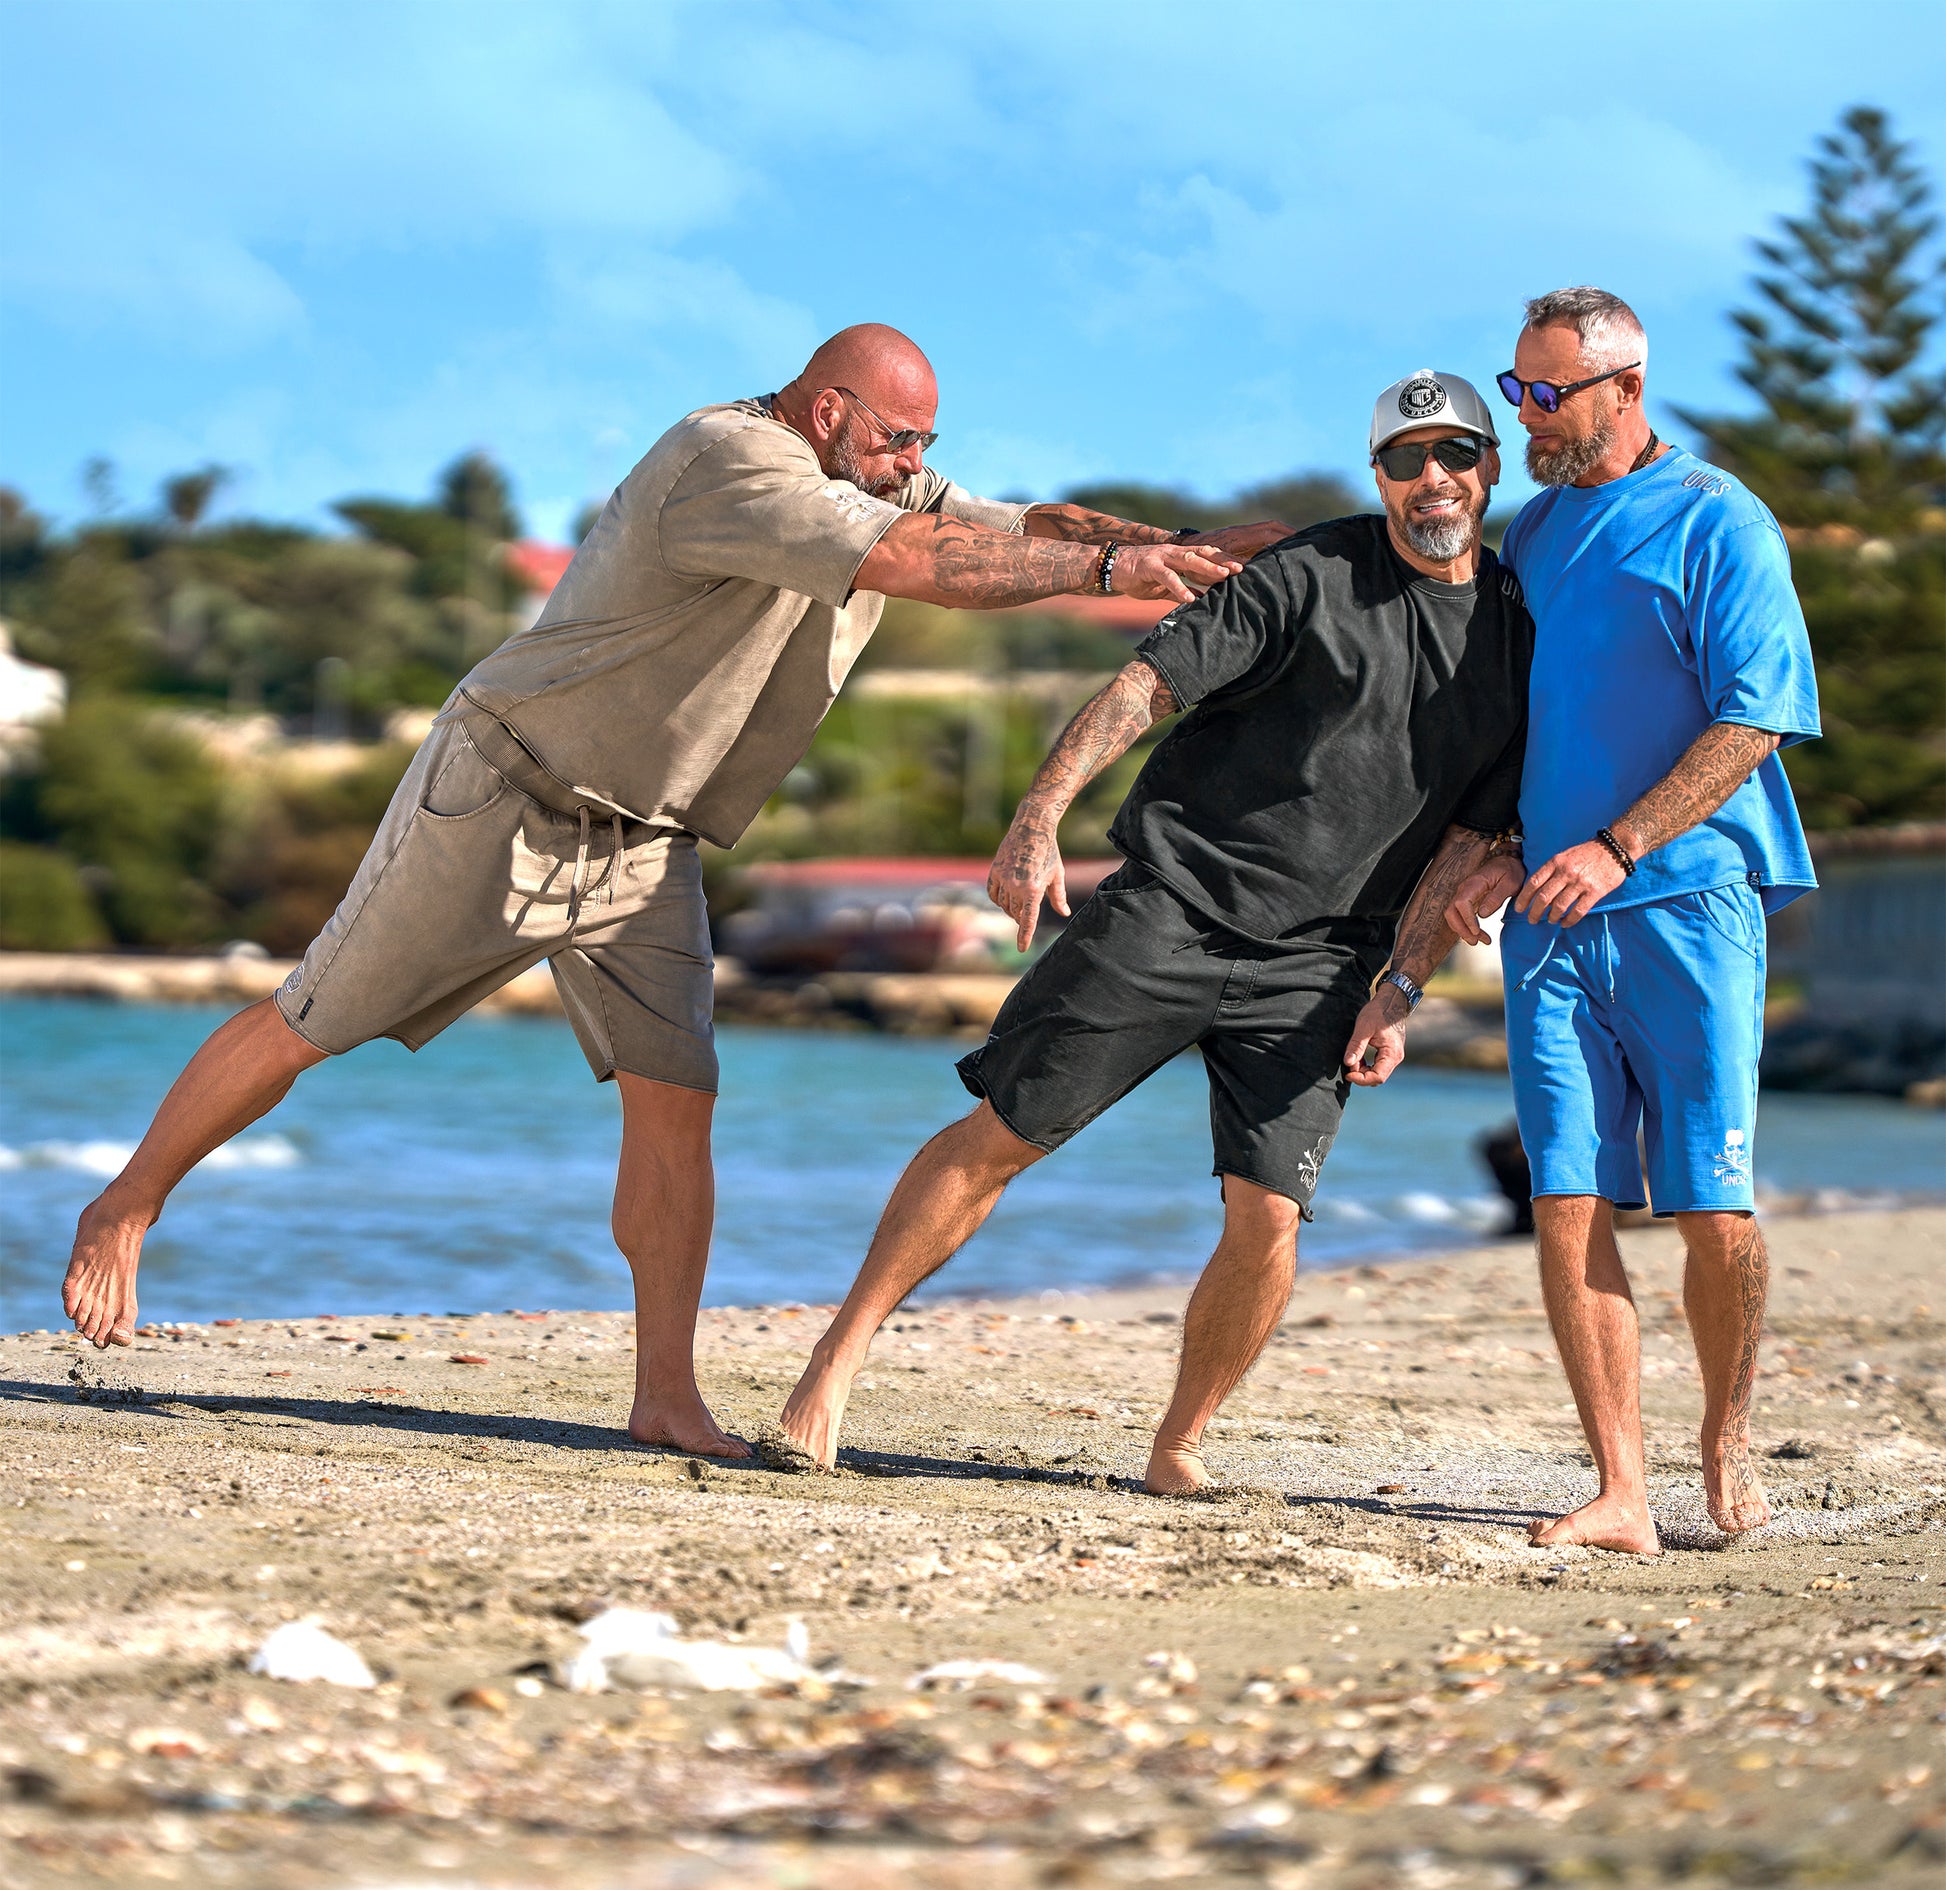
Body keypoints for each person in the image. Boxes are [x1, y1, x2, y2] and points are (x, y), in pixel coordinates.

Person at [60, 324, 1284, 1459]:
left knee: (675, 1098)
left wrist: (1199, 553)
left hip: (648, 841)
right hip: (508, 796)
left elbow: (1022, 523)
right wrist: (1117, 568)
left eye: (928, 445)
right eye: (897, 438)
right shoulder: (728, 463)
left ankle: (663, 1396)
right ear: (824, 410)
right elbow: (922, 560)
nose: (917, 464)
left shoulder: (876, 472)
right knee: (312, 1019)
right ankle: (127, 1202)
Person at [770, 369, 1532, 1495]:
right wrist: (1036, 818)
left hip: (1325, 960)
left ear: (1488, 469)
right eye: (1405, 459)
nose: (1432, 479)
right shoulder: (1308, 571)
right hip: (1171, 905)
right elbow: (1146, 683)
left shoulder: (1514, 637)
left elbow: (1467, 836)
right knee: (1002, 1133)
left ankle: (1178, 1441)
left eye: (1455, 455)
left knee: (1270, 1209)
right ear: (1376, 476)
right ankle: (829, 1368)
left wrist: (1401, 986)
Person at [1440, 287, 1821, 1554]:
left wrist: (1618, 845)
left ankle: (1721, 1442)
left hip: (1687, 903)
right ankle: (1618, 1486)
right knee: (1564, 1194)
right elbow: (1518, 721)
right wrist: (1502, 849)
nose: (1526, 418)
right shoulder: (1535, 533)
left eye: (1546, 393)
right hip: (1549, 912)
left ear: (1623, 386)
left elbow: (1752, 717)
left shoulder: (1720, 519)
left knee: (1710, 1206)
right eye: (1516, 391)